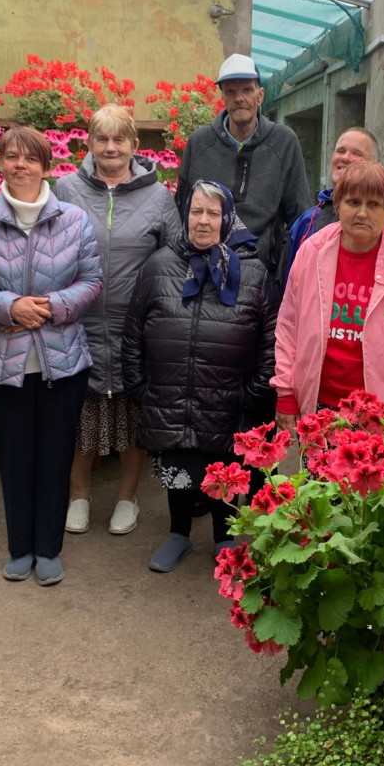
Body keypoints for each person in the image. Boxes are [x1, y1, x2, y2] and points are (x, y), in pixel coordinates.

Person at [0, 127, 102, 586]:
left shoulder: (74, 220)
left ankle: (49, 549)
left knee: (55, 457)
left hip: (62, 363)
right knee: (14, 458)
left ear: (46, 166)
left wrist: (49, 307)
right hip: (1, 366)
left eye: (30, 158)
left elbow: (91, 281)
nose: (21, 165)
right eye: (12, 156)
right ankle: (20, 548)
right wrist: (7, 307)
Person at [122, 180, 279, 574]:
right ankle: (178, 534)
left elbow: (272, 340)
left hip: (229, 400)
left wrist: (253, 392)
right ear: (185, 215)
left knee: (224, 469)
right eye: (196, 211)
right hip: (170, 395)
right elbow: (133, 331)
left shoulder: (253, 273)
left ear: (227, 219)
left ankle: (225, 537)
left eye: (213, 213)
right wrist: (140, 387)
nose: (203, 221)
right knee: (178, 463)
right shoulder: (159, 266)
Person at [54, 105, 181, 537]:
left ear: (134, 145)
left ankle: (128, 498)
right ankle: (79, 495)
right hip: (78, 323)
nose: (111, 147)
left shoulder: (158, 196)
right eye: (102, 139)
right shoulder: (66, 189)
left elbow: (174, 258)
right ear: (89, 143)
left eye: (119, 139)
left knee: (132, 413)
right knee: (78, 416)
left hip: (136, 327)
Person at [272, 160, 384, 427]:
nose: (362, 213)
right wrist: (285, 392)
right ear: (337, 206)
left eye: (373, 204)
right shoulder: (311, 252)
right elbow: (288, 328)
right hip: (320, 407)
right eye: (353, 202)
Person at [176, 54, 310, 279]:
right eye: (231, 92)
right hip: (204, 273)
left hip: (262, 276)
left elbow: (300, 216)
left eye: (247, 90)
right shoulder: (199, 143)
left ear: (260, 95)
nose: (239, 98)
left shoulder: (284, 142)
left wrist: (278, 265)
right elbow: (182, 210)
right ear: (223, 98)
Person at [285, 126, 384, 278]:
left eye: (357, 153)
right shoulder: (307, 221)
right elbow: (289, 283)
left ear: (375, 165)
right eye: (340, 151)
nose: (345, 158)